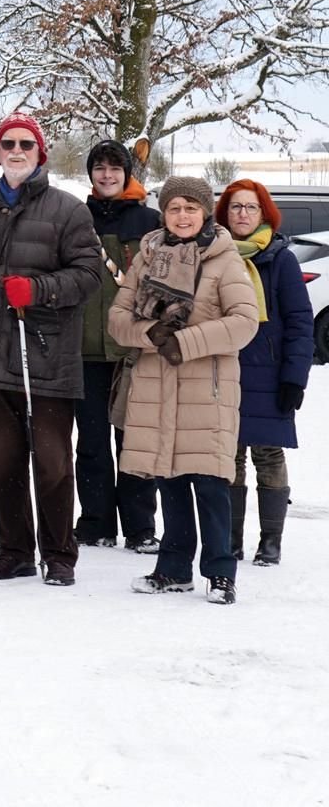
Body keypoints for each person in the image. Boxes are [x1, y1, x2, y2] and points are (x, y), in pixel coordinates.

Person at [0, 113, 104, 585]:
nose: (16, 152)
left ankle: (59, 554)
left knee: (52, 464)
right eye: (8, 145)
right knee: (1, 465)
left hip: (46, 359)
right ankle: (14, 550)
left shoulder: (68, 210)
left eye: (26, 145)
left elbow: (89, 275)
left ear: (40, 154)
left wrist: (39, 291)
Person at [112, 177, 259, 604]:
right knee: (169, 480)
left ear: (205, 212)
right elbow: (119, 319)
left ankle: (220, 573)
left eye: (191, 209)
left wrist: (184, 342)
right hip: (157, 385)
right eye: (174, 208)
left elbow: (244, 322)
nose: (182, 216)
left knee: (211, 485)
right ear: (164, 212)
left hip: (206, 389)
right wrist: (151, 332)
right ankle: (173, 569)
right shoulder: (147, 256)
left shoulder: (223, 258)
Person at [219, 180, 312, 567]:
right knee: (230, 457)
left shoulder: (281, 258)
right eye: (236, 207)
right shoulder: (216, 255)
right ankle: (233, 539)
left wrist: (295, 376)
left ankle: (271, 541)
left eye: (250, 208)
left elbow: (299, 321)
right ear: (225, 213)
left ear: (264, 214)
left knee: (269, 456)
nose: (242, 214)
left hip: (269, 372)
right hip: (225, 370)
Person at [77, 139, 162, 551]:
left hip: (134, 351)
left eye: (114, 167)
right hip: (86, 349)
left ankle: (140, 526)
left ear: (127, 173)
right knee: (91, 443)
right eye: (99, 168)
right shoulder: (77, 217)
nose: (107, 175)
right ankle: (95, 521)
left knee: (135, 440)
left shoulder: (150, 220)